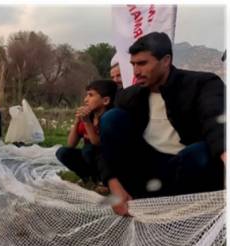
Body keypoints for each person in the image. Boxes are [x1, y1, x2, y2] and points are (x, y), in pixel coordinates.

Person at [100, 32, 226, 216]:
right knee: (111, 119)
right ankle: (144, 198)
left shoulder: (202, 83)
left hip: (186, 169)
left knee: (200, 153)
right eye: (133, 64)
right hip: (146, 173)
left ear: (166, 61)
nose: (136, 72)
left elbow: (216, 122)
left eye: (143, 63)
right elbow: (105, 148)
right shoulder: (128, 96)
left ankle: (181, 205)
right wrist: (113, 186)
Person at [56, 80, 118, 183]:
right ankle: (88, 177)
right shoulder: (89, 116)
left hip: (107, 161)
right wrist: (77, 122)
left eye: (90, 95)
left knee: (89, 149)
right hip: (90, 158)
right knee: (63, 152)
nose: (86, 100)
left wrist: (87, 123)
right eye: (86, 95)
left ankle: (103, 180)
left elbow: (97, 142)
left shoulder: (110, 118)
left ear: (105, 100)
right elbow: (70, 144)